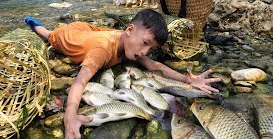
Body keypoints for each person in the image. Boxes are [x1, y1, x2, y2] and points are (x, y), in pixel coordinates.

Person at [25, 8, 221, 139]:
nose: (144, 52)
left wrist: (188, 80)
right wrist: (70, 115)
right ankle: (37, 26)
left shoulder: (128, 42)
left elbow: (154, 65)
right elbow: (79, 83)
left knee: (96, 33)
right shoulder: (102, 51)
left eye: (150, 48)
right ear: (129, 30)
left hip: (90, 30)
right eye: (145, 43)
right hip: (68, 36)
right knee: (49, 35)